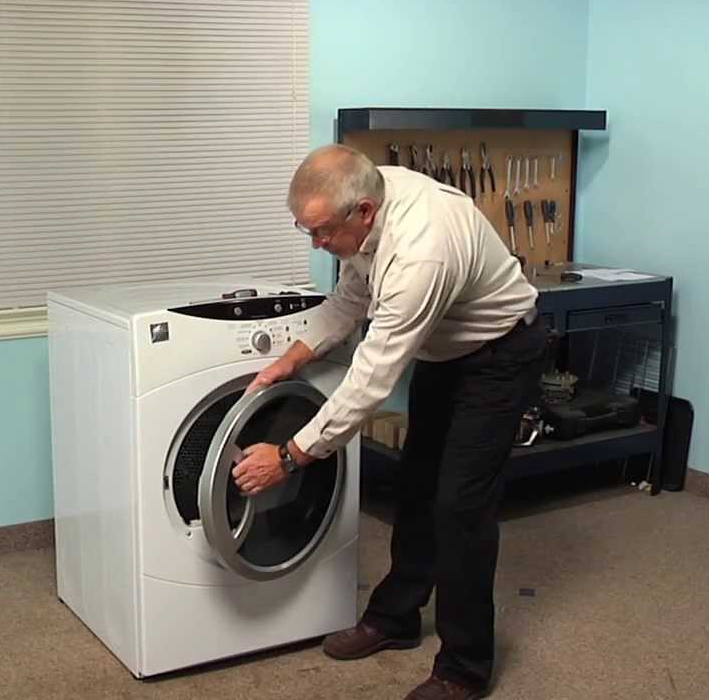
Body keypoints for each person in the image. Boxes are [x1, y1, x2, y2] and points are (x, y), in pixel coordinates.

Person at [230, 144, 548, 700]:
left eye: (323, 232)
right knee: (418, 486)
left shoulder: (422, 252)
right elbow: (352, 294)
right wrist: (293, 356)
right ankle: (396, 618)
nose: (317, 244)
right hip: (445, 354)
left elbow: (371, 380)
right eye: (306, 230)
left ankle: (463, 668)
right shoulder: (371, 192)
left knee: (460, 507)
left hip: (500, 354)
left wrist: (288, 456)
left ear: (365, 213)